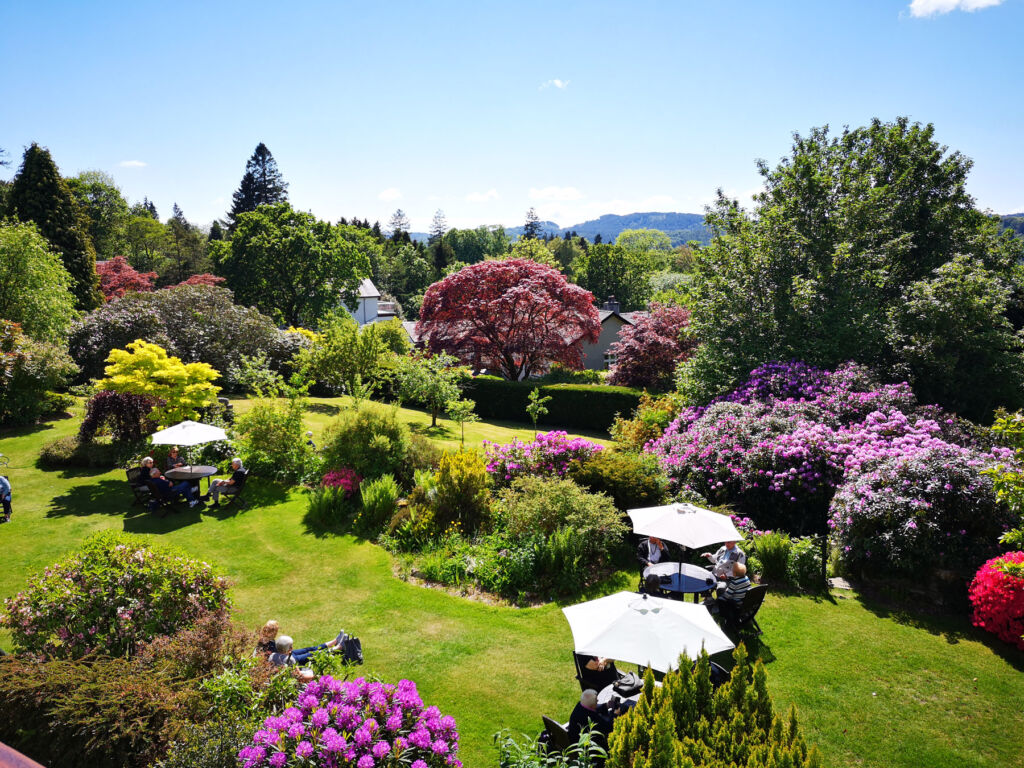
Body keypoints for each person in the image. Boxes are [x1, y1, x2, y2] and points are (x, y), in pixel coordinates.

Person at [269, 631, 347, 667]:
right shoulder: (291, 660)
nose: (292, 647)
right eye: (291, 646)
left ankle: (335, 641)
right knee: (314, 654)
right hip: (293, 660)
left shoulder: (273, 655)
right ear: (286, 649)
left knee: (308, 649)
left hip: (288, 655)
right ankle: (339, 647)